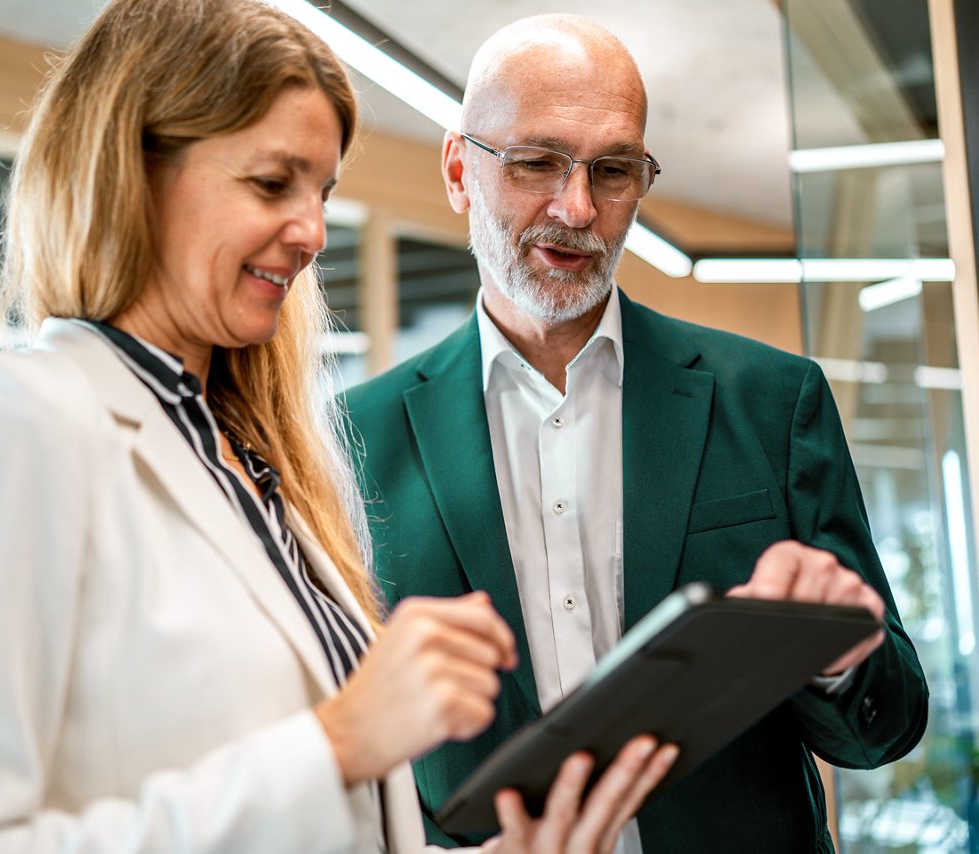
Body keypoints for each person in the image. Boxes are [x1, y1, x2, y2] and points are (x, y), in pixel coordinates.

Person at [0, 1, 679, 851]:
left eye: (323, 192)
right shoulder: (9, 423)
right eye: (273, 183)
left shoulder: (256, 465)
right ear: (133, 170)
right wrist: (338, 743)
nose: (312, 232)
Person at [341, 14, 929, 853]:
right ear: (458, 171)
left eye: (612, 170)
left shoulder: (771, 400)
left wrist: (834, 653)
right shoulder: (353, 440)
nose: (577, 207)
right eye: (538, 161)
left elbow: (885, 725)